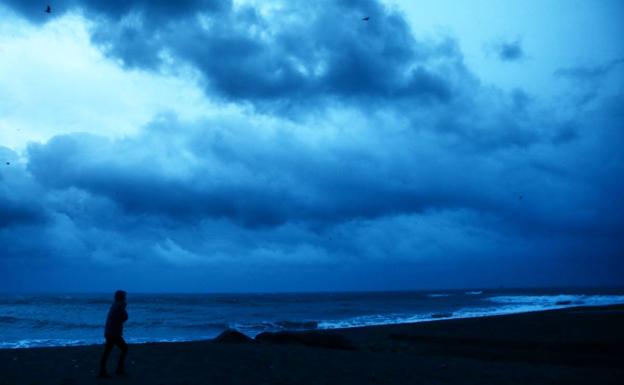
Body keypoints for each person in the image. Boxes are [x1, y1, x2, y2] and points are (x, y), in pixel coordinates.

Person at [99, 290, 129, 378]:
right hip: (113, 333)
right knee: (123, 348)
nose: (125, 298)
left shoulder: (116, 305)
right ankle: (117, 369)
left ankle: (105, 370)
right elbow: (120, 318)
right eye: (124, 296)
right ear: (121, 297)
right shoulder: (118, 306)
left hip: (110, 332)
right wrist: (123, 310)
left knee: (108, 351)